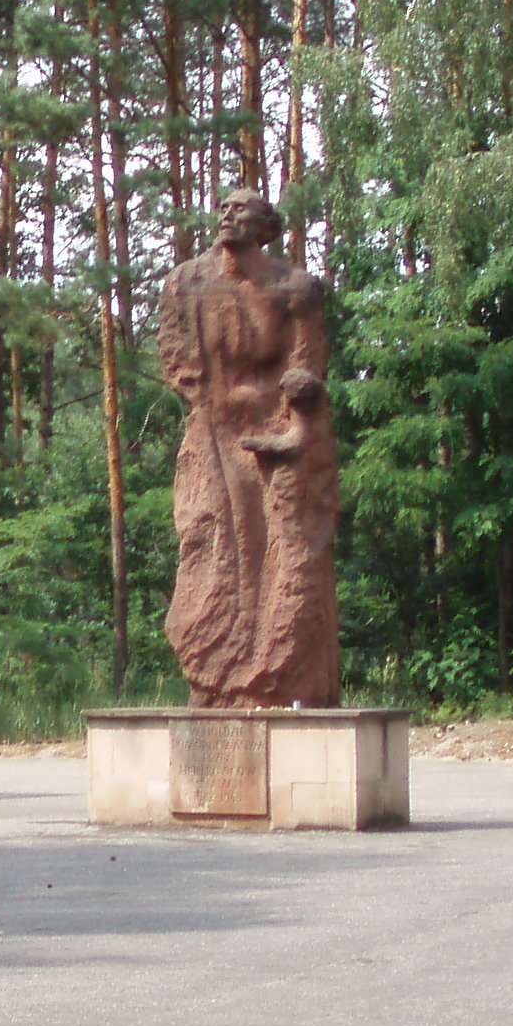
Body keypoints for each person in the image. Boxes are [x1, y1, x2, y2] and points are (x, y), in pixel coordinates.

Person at [156, 191, 341, 708]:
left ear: (266, 228)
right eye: (224, 206)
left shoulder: (294, 288)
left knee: (280, 551)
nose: (227, 214)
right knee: (209, 544)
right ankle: (214, 678)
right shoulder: (187, 283)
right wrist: (211, 415)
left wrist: (293, 432)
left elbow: (308, 366)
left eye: (242, 209)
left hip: (276, 438)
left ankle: (274, 674)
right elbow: (176, 361)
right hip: (212, 433)